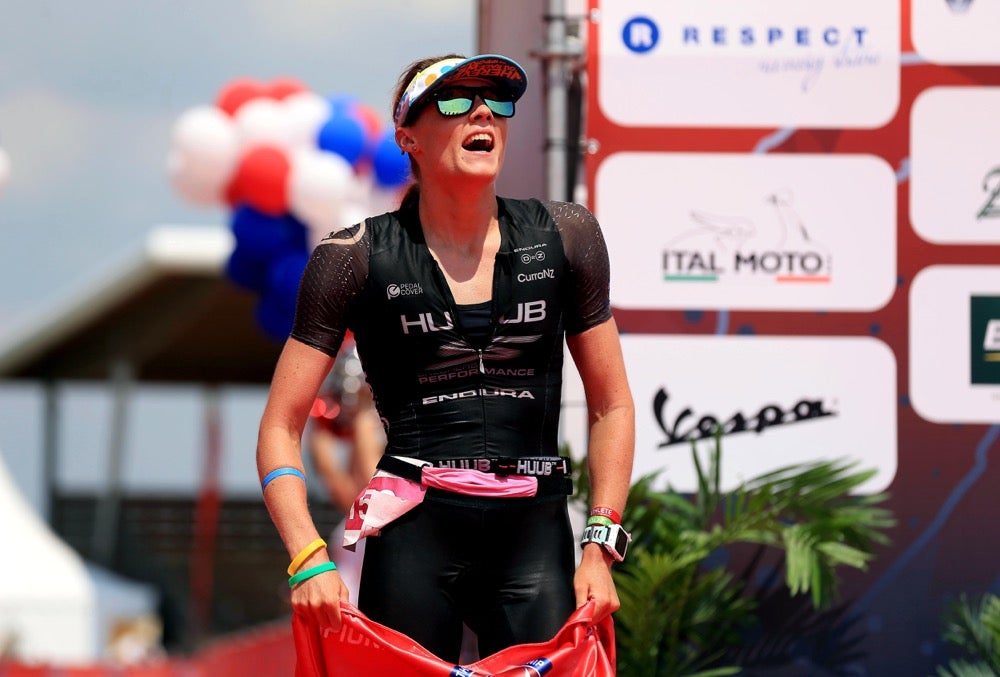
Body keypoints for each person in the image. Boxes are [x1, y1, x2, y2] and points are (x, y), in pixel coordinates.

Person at [256, 52, 635, 663]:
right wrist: (307, 557)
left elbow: (612, 405)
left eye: (497, 102)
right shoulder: (353, 256)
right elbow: (280, 424)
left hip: (532, 532)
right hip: (415, 534)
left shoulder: (566, 235)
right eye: (456, 101)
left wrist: (599, 545)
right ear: (408, 137)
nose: (483, 112)